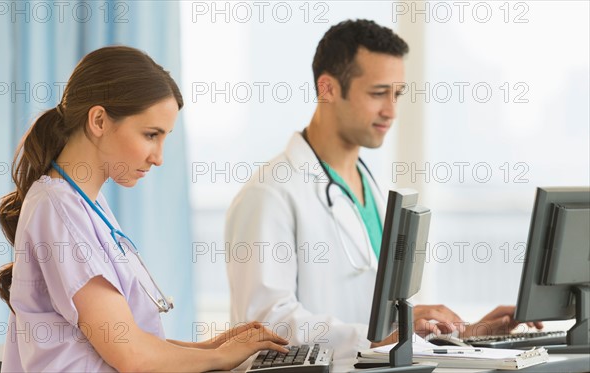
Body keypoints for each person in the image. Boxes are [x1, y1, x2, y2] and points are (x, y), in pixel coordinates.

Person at [225, 20, 542, 359]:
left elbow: (380, 319)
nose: (391, 111)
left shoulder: (368, 188)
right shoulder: (270, 194)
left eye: (397, 94)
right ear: (328, 88)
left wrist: (468, 334)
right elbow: (267, 326)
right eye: (378, 93)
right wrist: (379, 337)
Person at [0, 46, 287, 372]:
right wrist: (220, 358)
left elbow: (126, 342)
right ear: (99, 120)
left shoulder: (85, 203)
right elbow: (132, 356)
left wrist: (214, 346)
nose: (158, 157)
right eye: (151, 135)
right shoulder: (59, 210)